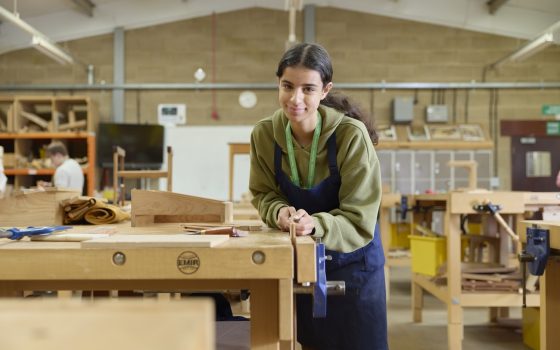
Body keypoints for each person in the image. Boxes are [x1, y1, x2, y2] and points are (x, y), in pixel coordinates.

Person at [249, 43, 387, 350]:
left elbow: (360, 217)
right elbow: (263, 193)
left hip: (355, 264)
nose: (296, 99)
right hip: (302, 264)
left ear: (325, 91)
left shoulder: (350, 136)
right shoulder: (264, 135)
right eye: (288, 86)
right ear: (278, 84)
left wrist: (316, 225)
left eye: (308, 89)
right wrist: (278, 212)